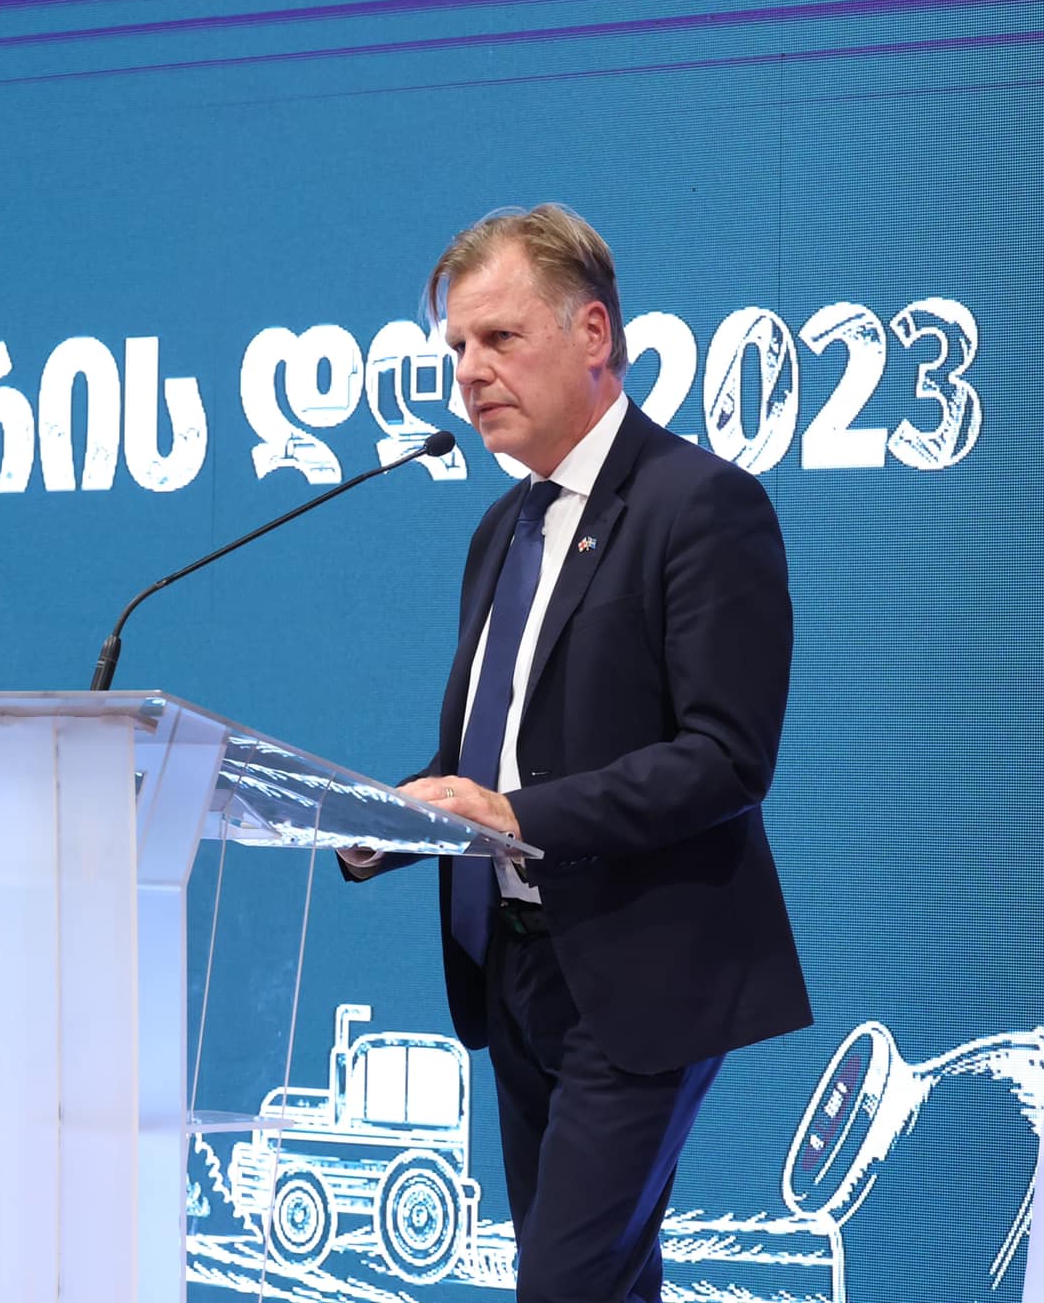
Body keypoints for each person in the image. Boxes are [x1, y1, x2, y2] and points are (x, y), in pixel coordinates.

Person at [340, 203, 811, 1302]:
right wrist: (380, 823)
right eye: (458, 347)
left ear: (592, 332)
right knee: (602, 1285)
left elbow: (725, 758)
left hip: (641, 968)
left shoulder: (702, 505)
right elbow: (487, 754)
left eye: (499, 337)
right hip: (513, 969)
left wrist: (515, 818)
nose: (469, 371)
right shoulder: (499, 530)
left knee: (563, 1287)